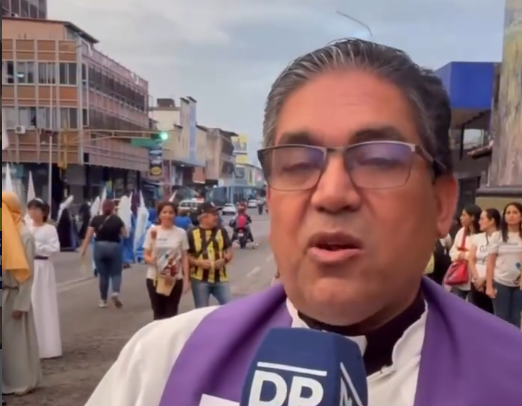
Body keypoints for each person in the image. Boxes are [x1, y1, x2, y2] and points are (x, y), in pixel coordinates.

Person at [85, 39, 522, 406]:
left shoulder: (510, 375)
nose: (332, 194)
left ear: (441, 204)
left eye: (378, 160)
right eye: (297, 163)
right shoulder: (162, 363)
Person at [2, 192, 41, 396]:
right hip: (4, 295)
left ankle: (21, 381)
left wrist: (21, 303)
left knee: (16, 343)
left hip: (15, 295)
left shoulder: (24, 236)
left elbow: (27, 275)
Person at [27, 198, 62, 358]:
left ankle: (48, 346)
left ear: (43, 212)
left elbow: (54, 248)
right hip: (28, 266)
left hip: (43, 267)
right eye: (30, 209)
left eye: (36, 209)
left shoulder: (50, 229)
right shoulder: (26, 227)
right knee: (30, 302)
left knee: (44, 303)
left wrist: (36, 247)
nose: (33, 212)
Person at [143, 202, 190, 320]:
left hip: (174, 279)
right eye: (164, 212)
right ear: (159, 215)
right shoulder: (152, 231)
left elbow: (185, 257)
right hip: (155, 278)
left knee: (171, 314)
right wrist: (151, 260)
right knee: (158, 314)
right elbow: (146, 255)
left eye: (171, 212)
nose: (168, 215)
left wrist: (187, 279)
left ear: (175, 215)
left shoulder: (181, 233)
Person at [80, 199, 127, 308]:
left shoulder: (95, 219)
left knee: (103, 275)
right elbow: (125, 234)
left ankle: (103, 300)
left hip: (99, 247)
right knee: (116, 273)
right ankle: (115, 292)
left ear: (102, 208)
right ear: (113, 208)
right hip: (114, 247)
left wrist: (83, 249)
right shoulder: (117, 220)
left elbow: (88, 236)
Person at [187, 202, 233, 308]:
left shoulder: (222, 231)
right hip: (200, 280)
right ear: (203, 217)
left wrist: (224, 260)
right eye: (213, 214)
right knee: (201, 311)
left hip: (221, 279)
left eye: (217, 214)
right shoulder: (191, 233)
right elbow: (185, 256)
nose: (217, 217)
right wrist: (198, 263)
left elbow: (229, 251)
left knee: (230, 308)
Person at [485, 202, 522, 327]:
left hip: (519, 285)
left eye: (515, 212)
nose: (511, 215)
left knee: (515, 318)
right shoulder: (497, 236)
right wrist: (489, 286)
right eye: (508, 213)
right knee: (501, 318)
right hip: (501, 283)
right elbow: (490, 262)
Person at [467, 208, 500, 314]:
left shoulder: (501, 238)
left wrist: (484, 279)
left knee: (492, 313)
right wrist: (477, 278)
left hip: (493, 282)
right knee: (477, 313)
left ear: (492, 220)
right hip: (476, 283)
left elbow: (499, 263)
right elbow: (471, 259)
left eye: (482, 219)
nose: (479, 222)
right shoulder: (477, 238)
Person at [448, 204, 481, 299]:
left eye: (464, 215)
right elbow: (452, 252)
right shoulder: (461, 232)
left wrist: (466, 255)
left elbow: (481, 255)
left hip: (476, 277)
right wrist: (460, 255)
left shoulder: (481, 235)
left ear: (472, 217)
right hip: (459, 277)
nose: (461, 218)